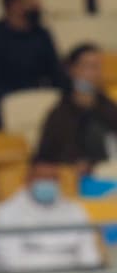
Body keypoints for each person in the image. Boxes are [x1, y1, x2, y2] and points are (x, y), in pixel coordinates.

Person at [0, 0, 67, 130]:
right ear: (14, 4)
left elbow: (56, 73)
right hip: (5, 108)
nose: (38, 4)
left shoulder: (42, 34)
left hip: (42, 100)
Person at [0, 160, 103, 271]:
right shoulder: (8, 211)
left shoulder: (74, 210)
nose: (48, 182)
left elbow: (88, 252)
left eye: (53, 178)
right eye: (42, 178)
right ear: (28, 180)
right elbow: (9, 259)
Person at [37, 43, 117, 175]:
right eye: (87, 66)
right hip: (76, 181)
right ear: (72, 70)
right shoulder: (59, 115)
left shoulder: (108, 106)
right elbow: (44, 161)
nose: (93, 73)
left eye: (97, 67)